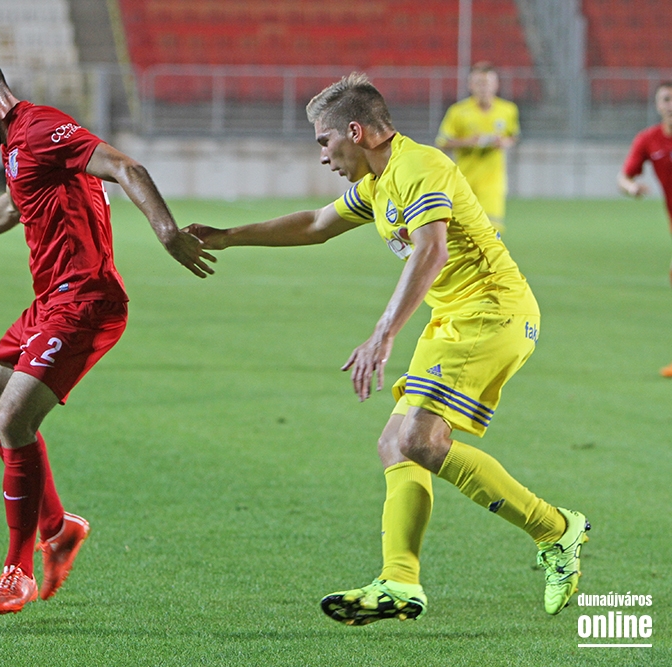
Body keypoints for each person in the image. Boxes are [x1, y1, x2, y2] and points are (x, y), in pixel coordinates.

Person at [185, 73, 588, 626]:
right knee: (396, 445)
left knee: (419, 440)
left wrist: (384, 332)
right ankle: (399, 583)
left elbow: (432, 250)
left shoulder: (418, 166)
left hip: (493, 312)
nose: (323, 156)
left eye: (325, 141)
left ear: (355, 132)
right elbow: (316, 224)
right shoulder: (378, 181)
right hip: (455, 318)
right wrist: (228, 235)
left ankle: (556, 529)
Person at [0, 52, 215, 616]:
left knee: (13, 418)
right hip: (50, 302)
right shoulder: (15, 145)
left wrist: (168, 232)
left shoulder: (43, 129)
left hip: (87, 302)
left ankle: (18, 572)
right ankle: (58, 527)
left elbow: (127, 168)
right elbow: (14, 202)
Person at [617, 80, 672, 378]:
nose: (671, 105)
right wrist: (631, 188)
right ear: (657, 105)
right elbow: (624, 177)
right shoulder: (649, 139)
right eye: (666, 99)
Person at [435, 62, 520, 233]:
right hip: (464, 181)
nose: (484, 88)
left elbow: (513, 136)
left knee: (491, 231)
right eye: (479, 83)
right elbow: (442, 141)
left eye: (487, 83)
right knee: (463, 233)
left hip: (492, 182)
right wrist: (467, 142)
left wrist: (504, 142)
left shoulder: (508, 110)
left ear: (495, 85)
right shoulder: (458, 111)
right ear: (471, 85)